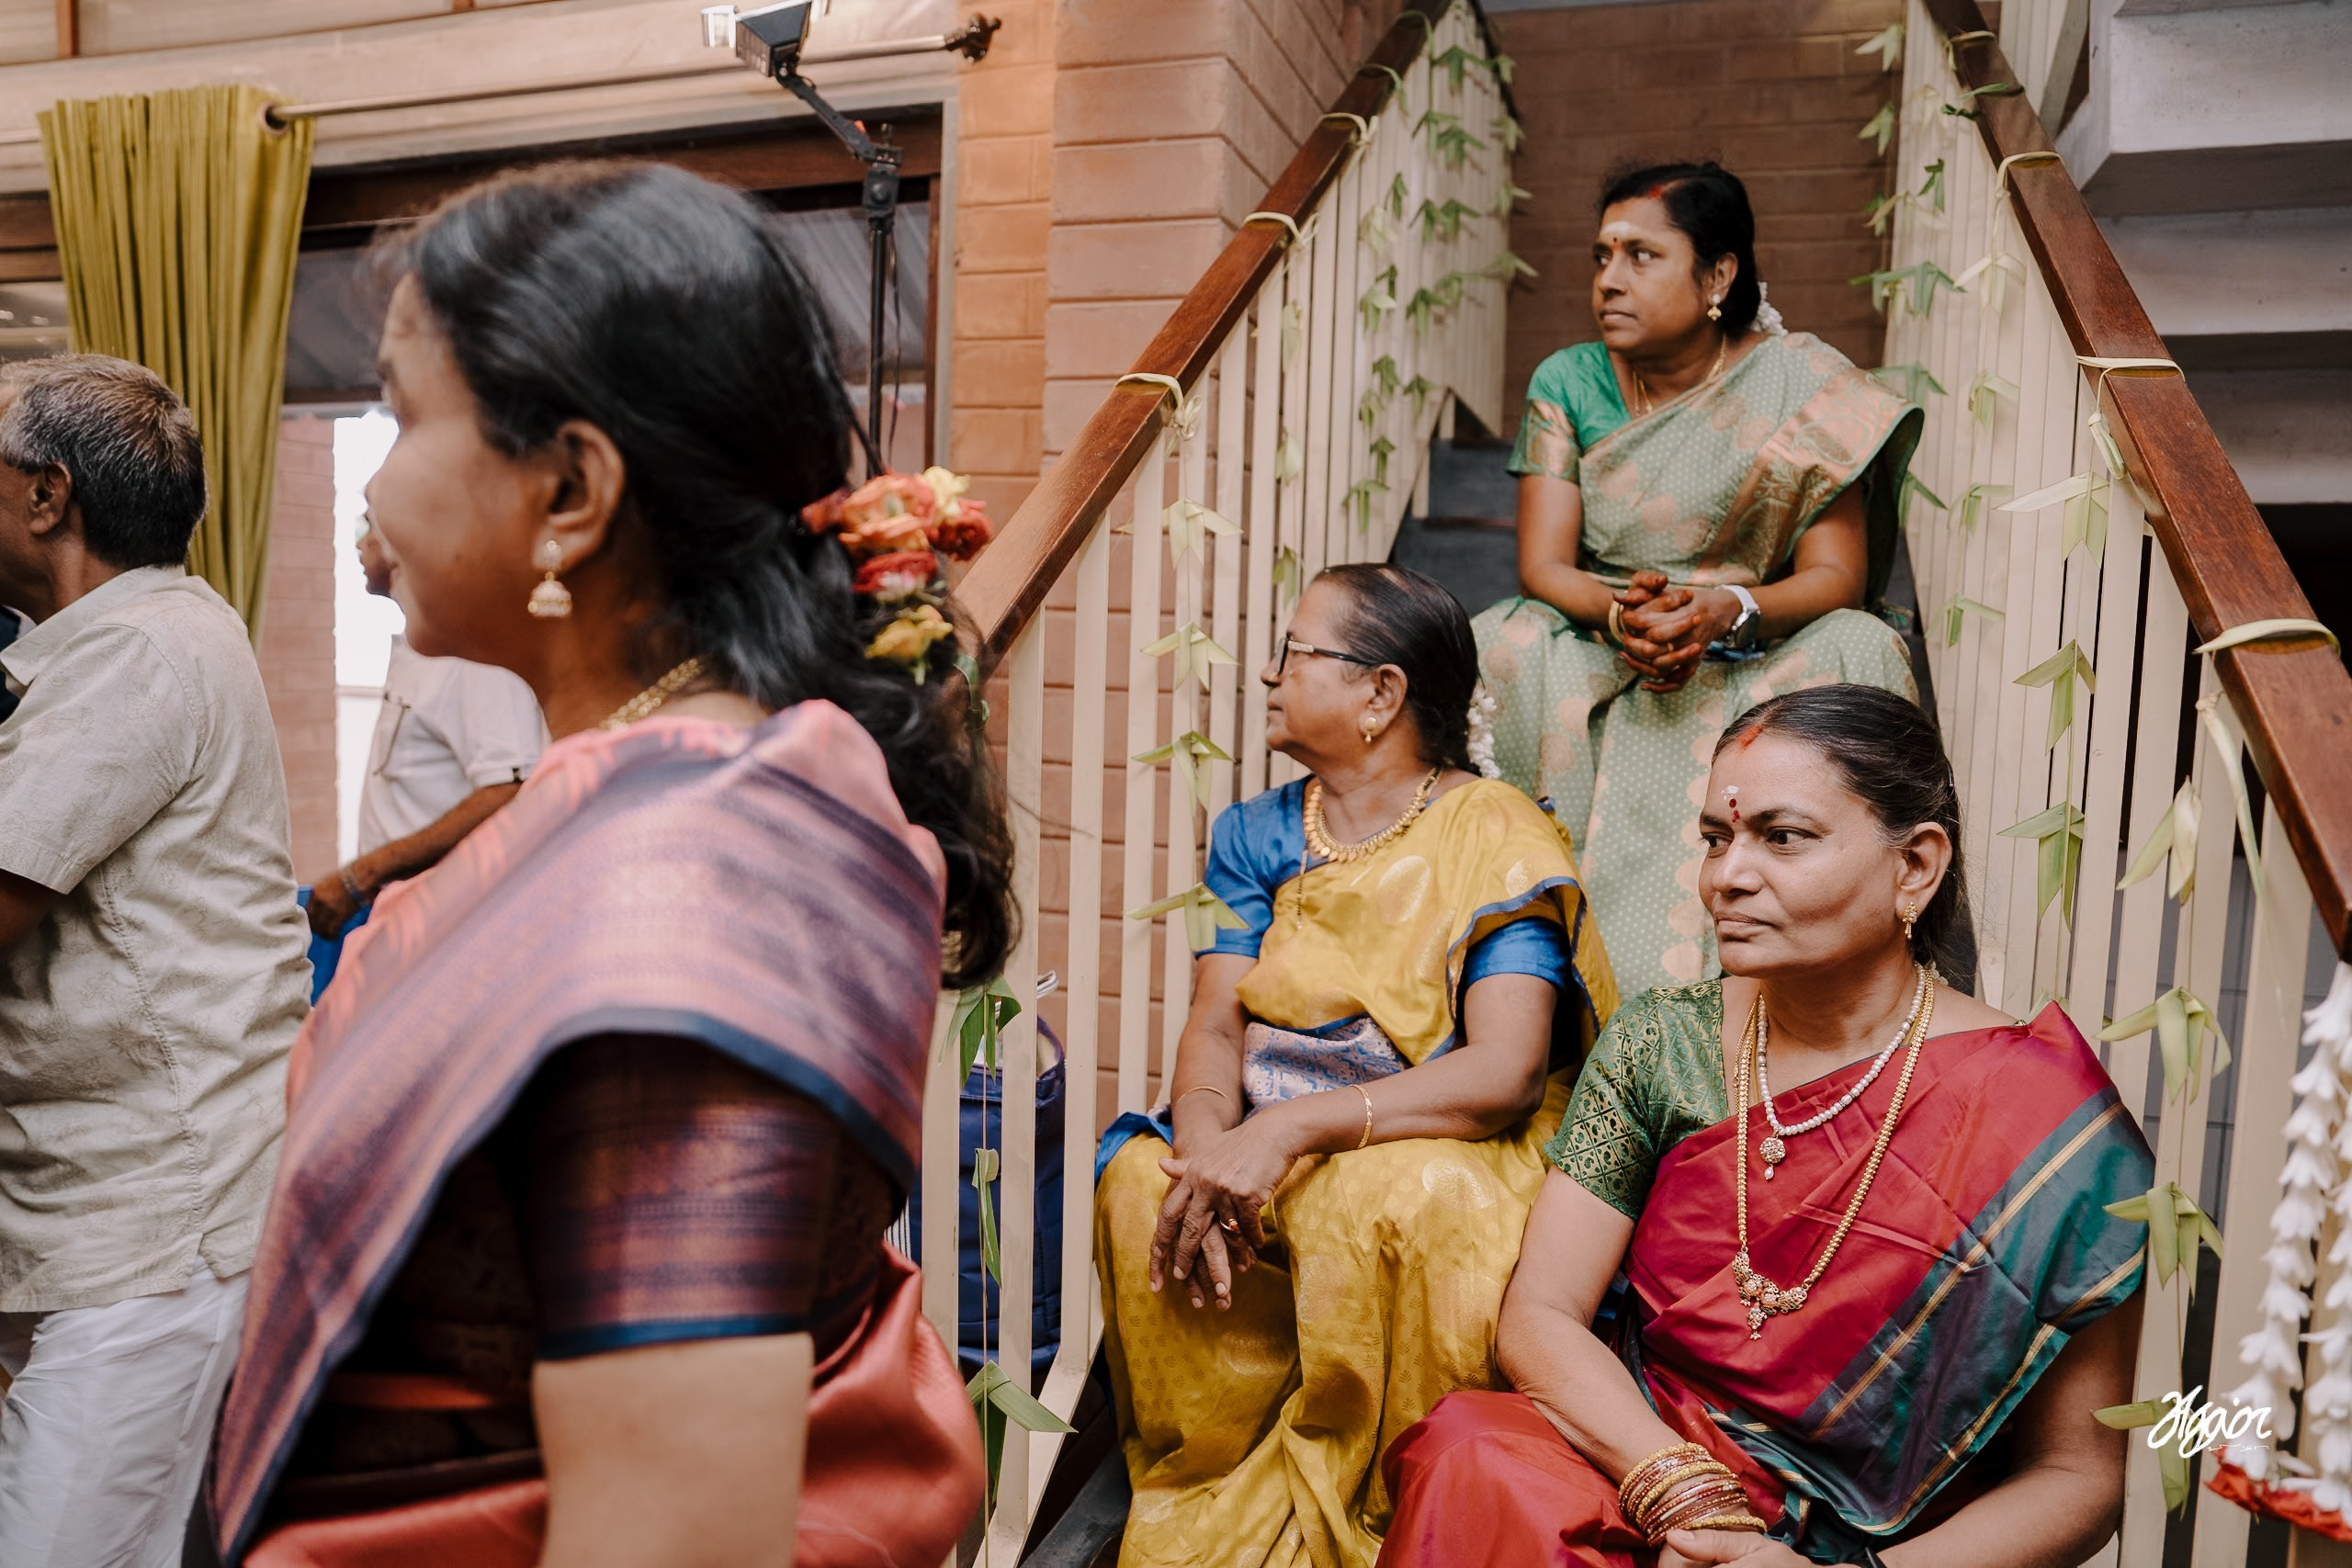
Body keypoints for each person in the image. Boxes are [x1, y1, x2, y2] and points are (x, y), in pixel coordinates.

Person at [197, 163, 1010, 1567]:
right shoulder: (667, 802)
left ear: (569, 490)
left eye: (402, 413)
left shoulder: (691, 884)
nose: (377, 478)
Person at [1381, 685, 2152, 1568]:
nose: (1727, 875)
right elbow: (1542, 1312)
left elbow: (2079, 1473)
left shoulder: (2040, 1111)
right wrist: (1691, 1494)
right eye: (1717, 837)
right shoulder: (1660, 1044)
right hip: (1646, 1463)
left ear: (1916, 866)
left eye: (1782, 837)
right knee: (1475, 1453)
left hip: (1890, 1544)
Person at [1093, 563, 1620, 1568]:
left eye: (1294, 653)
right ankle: (1216, 1479)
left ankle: (1384, 1508)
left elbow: (1503, 1072)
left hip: (1439, 1132)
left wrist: (1286, 1129)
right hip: (1267, 1128)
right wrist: (1205, 1145)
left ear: (1380, 694)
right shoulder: (1250, 833)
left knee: (1392, 1193)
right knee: (1136, 1183)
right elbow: (1216, 1022)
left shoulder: (1498, 832)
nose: (1268, 674)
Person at [0, 355, 311, 1566]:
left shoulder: (143, 656)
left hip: (155, 1226)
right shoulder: (112, 644)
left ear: (46, 496)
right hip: (103, 1211)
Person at [1475, 162, 1925, 996]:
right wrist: (1626, 619)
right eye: (1601, 255)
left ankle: (1832, 943)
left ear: (1718, 275)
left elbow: (1837, 576)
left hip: (1756, 639)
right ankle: (1518, 948)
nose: (1609, 279)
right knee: (1504, 636)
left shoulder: (1801, 389)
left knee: (1862, 641)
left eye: (1641, 256)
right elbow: (1544, 565)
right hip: (1612, 627)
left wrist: (1728, 609)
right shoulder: (1568, 382)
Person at [303, 515, 546, 942]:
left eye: (368, 525)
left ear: (405, 540)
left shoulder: (473, 649)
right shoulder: (421, 644)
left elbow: (512, 789)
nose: (359, 544)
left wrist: (361, 876)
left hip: (457, 929)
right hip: (408, 920)